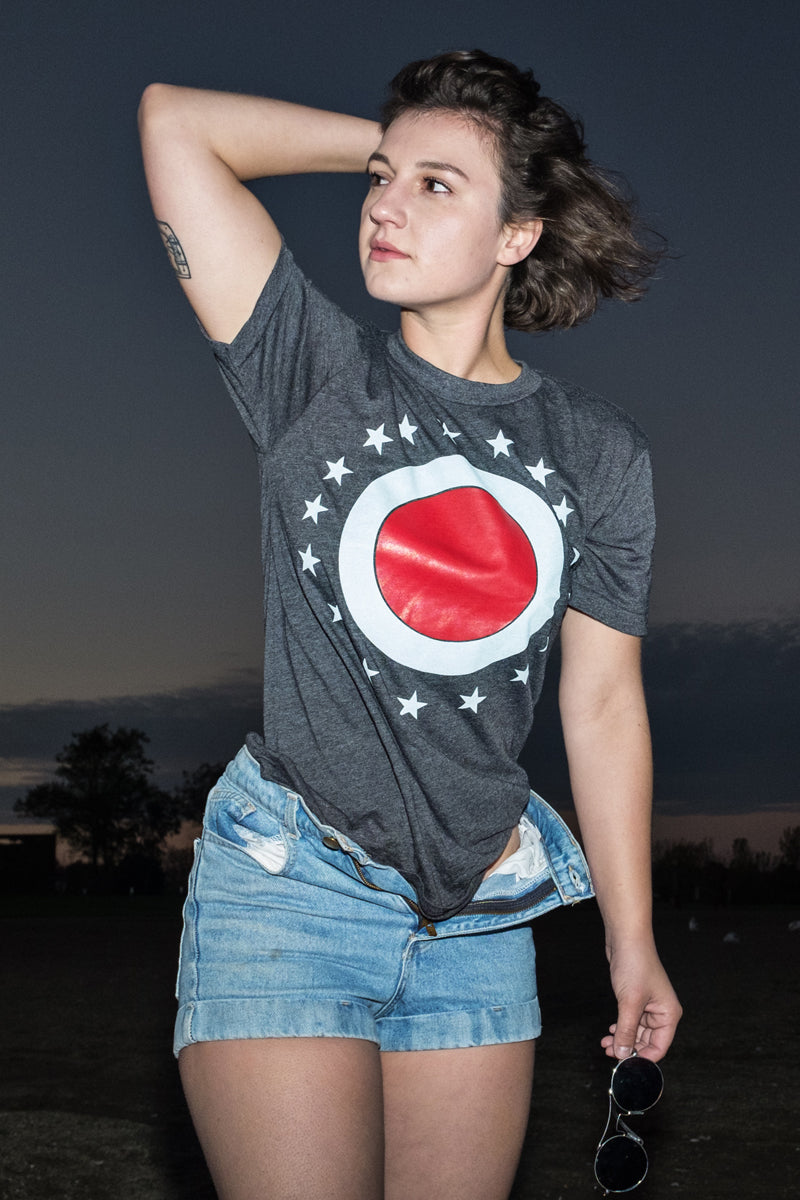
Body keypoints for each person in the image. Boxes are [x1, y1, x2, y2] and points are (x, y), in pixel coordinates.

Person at [138, 49, 681, 1200]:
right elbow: (174, 121)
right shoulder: (310, 374)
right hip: (291, 887)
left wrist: (628, 941)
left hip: (481, 920)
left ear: (516, 236)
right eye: (383, 180)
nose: (383, 203)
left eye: (437, 188)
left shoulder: (597, 455)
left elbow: (598, 702)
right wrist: (392, 141)